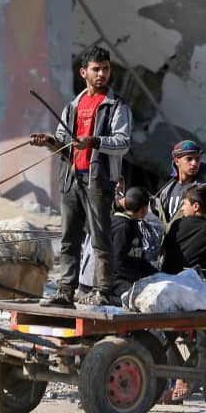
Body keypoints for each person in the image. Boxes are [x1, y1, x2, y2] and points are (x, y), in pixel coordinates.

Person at [30, 46, 133, 307]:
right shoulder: (72, 107)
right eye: (96, 69)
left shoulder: (116, 106)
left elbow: (122, 143)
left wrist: (94, 141)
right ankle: (65, 290)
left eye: (106, 69)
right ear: (83, 72)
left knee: (99, 237)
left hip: (98, 181)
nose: (102, 74)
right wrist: (48, 142)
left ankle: (102, 290)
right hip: (72, 179)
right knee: (69, 238)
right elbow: (65, 147)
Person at [151, 140, 206, 227]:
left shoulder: (205, 191)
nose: (194, 163)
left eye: (197, 159)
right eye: (189, 159)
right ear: (177, 161)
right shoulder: (166, 191)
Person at [111, 187, 158, 298]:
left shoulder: (133, 225)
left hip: (129, 281)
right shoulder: (123, 228)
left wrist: (160, 275)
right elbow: (116, 263)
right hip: (116, 284)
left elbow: (139, 260)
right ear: (144, 209)